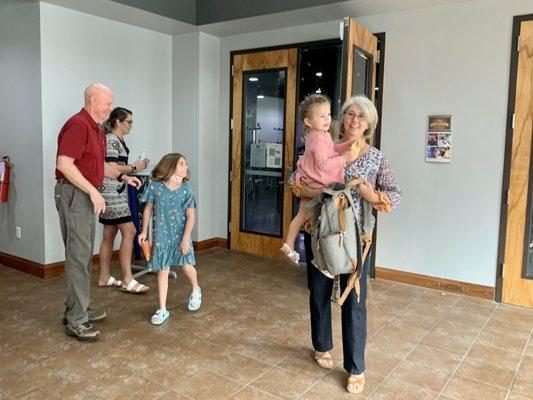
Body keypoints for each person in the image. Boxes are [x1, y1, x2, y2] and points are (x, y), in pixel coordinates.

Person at [291, 95, 402, 394]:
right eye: (349, 114)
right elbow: (297, 178)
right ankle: (322, 345)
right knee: (318, 292)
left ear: (369, 124)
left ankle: (355, 366)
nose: (353, 121)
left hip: (355, 241)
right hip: (320, 234)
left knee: (354, 302)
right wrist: (313, 188)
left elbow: (395, 194)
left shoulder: (376, 158)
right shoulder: (322, 142)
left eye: (361, 117)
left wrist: (373, 196)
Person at [55, 83, 141, 341]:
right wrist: (92, 192)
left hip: (84, 195)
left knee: (81, 256)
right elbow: (64, 164)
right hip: (74, 194)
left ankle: (76, 309)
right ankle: (77, 319)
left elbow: (98, 168)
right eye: (107, 103)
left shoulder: (95, 130)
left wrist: (123, 179)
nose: (110, 108)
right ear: (93, 100)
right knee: (79, 256)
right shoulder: (78, 125)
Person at [280, 94, 355, 265]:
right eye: (321, 116)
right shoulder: (320, 137)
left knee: (303, 215)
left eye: (328, 114)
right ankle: (323, 258)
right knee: (325, 222)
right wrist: (344, 158)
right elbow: (322, 164)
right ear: (308, 121)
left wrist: (344, 146)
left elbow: (331, 150)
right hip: (316, 182)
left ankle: (289, 244)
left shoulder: (318, 134)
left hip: (309, 179)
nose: (327, 119)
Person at [138, 153, 202, 325]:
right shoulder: (155, 186)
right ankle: (163, 309)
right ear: (171, 166)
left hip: (182, 235)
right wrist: (144, 231)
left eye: (186, 164)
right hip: (162, 235)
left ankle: (196, 289)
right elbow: (148, 208)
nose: (186, 167)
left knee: (187, 267)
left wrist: (185, 239)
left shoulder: (186, 189)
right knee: (163, 270)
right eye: (182, 164)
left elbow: (191, 217)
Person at [98, 107, 150, 293]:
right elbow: (111, 167)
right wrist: (134, 166)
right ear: (118, 122)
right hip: (112, 191)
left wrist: (133, 167)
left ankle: (104, 277)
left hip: (111, 190)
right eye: (129, 121)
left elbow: (117, 166)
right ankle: (127, 278)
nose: (131, 125)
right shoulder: (111, 139)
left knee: (109, 234)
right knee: (130, 230)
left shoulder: (116, 139)